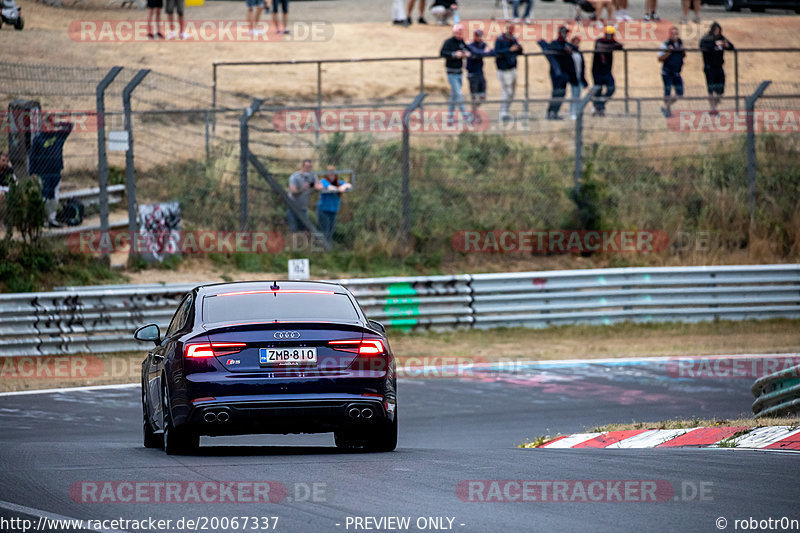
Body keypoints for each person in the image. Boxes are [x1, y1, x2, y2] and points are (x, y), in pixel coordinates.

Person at [29, 121, 72, 228]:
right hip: (43, 172)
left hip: (56, 171)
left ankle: (52, 218)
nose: (49, 127)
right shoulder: (38, 139)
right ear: (42, 126)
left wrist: (58, 124)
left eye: (51, 124)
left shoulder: (58, 136)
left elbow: (70, 126)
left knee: (54, 195)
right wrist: (32, 172)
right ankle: (43, 219)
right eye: (47, 124)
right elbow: (32, 157)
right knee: (44, 195)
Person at [540, 26, 577, 121]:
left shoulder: (566, 44)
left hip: (564, 73)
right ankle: (550, 112)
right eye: (563, 33)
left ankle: (555, 112)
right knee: (556, 93)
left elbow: (574, 48)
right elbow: (555, 48)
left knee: (562, 93)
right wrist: (565, 49)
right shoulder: (555, 43)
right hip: (556, 73)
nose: (565, 35)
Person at [699, 22, 733, 115]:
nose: (717, 32)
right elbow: (702, 47)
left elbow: (731, 47)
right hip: (709, 67)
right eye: (715, 30)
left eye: (718, 30)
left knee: (720, 90)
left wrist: (726, 45)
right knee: (711, 89)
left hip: (719, 66)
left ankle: (715, 105)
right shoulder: (706, 39)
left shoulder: (721, 38)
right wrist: (714, 44)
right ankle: (712, 108)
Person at [440, 24, 471, 124]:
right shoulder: (448, 42)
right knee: (458, 94)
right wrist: (453, 54)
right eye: (458, 32)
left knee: (454, 96)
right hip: (451, 72)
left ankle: (450, 117)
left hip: (459, 72)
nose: (460, 34)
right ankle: (465, 115)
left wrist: (467, 53)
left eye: (461, 32)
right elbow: (442, 53)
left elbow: (467, 49)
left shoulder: (461, 42)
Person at [591, 26, 623, 117]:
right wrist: (611, 46)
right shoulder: (599, 41)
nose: (609, 36)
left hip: (607, 71)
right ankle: (597, 108)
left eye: (611, 34)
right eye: (608, 34)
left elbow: (620, 46)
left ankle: (600, 105)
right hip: (597, 70)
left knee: (611, 88)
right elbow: (601, 47)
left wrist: (611, 45)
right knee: (598, 89)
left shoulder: (612, 42)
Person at [494, 22, 523, 121]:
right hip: (504, 69)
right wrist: (509, 50)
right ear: (507, 29)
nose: (511, 30)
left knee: (512, 93)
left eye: (513, 29)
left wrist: (519, 48)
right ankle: (503, 113)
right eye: (510, 28)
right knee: (507, 92)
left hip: (512, 68)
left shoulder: (513, 39)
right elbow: (497, 51)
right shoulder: (500, 39)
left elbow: (519, 51)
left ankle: (506, 111)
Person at [316, 166, 352, 244]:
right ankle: (324, 249)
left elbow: (349, 185)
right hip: (323, 211)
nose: (331, 176)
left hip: (333, 211)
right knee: (325, 232)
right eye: (329, 174)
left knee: (330, 231)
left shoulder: (339, 182)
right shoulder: (324, 181)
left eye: (333, 174)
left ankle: (328, 250)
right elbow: (330, 188)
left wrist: (344, 186)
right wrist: (339, 189)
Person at [658, 26, 685, 118]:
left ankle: (665, 107)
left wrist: (682, 50)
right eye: (673, 34)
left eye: (676, 34)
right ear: (670, 35)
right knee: (667, 91)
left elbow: (683, 55)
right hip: (667, 72)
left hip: (677, 72)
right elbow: (660, 58)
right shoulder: (665, 45)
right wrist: (669, 52)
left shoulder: (680, 44)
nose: (675, 36)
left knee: (680, 93)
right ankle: (667, 110)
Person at [466, 29, 493, 119]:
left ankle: (473, 112)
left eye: (480, 36)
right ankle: (473, 114)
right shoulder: (470, 46)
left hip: (480, 73)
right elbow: (476, 52)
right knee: (474, 96)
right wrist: (484, 52)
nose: (479, 37)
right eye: (477, 36)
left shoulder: (483, 45)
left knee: (482, 96)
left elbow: (491, 52)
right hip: (472, 74)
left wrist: (485, 52)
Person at [287, 159, 318, 233]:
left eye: (310, 167)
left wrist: (314, 185)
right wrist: (303, 189)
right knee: (294, 231)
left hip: (304, 209)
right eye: (307, 167)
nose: (308, 169)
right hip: (293, 208)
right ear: (302, 167)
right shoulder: (295, 177)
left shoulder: (312, 176)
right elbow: (293, 192)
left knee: (306, 230)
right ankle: (294, 244)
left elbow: (318, 185)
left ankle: (306, 245)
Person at [569, 36, 589, 120]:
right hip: (573, 76)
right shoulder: (570, 53)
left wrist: (582, 77)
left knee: (578, 95)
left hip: (579, 75)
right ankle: (572, 113)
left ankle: (577, 112)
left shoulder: (579, 53)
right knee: (574, 95)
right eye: (575, 42)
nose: (577, 44)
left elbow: (582, 66)